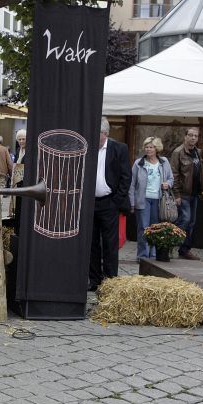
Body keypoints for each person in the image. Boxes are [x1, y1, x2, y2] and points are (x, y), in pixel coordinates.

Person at [89, 117, 131, 292]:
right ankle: (94, 279)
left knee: (110, 243)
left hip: (109, 202)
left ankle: (110, 280)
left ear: (105, 133)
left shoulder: (119, 148)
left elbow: (126, 177)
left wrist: (116, 201)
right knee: (92, 244)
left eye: (96, 133)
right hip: (91, 203)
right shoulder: (88, 148)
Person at [130, 137, 174, 261]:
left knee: (156, 228)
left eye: (151, 147)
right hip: (143, 200)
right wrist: (132, 202)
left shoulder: (164, 162)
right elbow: (132, 184)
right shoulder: (138, 163)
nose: (148, 149)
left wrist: (168, 184)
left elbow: (171, 178)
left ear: (157, 149)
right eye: (146, 147)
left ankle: (154, 254)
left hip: (159, 200)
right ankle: (142, 256)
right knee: (143, 228)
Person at [170, 127, 203, 260]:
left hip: (195, 193)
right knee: (184, 220)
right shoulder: (178, 152)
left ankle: (184, 250)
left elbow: (201, 173)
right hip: (183, 193)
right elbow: (174, 174)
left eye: (196, 136)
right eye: (190, 135)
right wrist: (177, 194)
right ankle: (167, 244)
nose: (193, 138)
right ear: (185, 136)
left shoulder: (199, 152)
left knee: (191, 222)